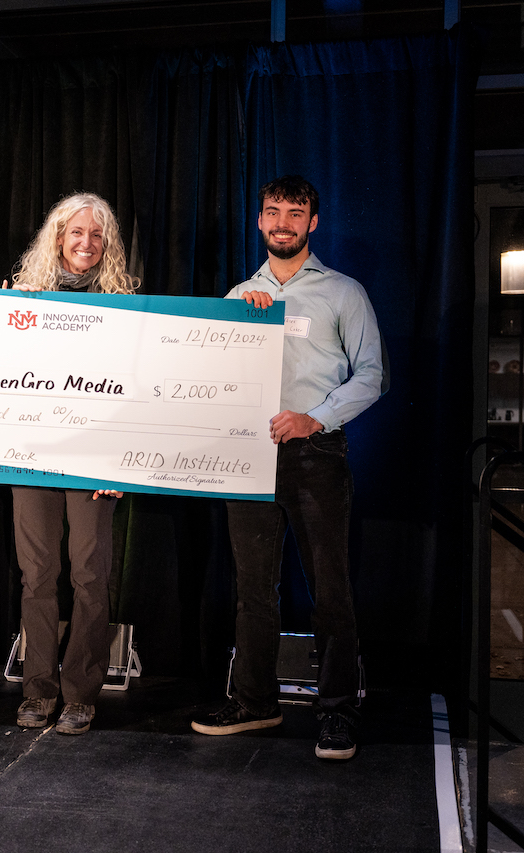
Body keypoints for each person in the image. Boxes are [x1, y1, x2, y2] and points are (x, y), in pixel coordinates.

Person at [191, 175, 385, 761]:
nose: (283, 223)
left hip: (315, 455)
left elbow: (371, 376)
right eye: (272, 212)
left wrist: (314, 419)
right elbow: (210, 378)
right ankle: (255, 701)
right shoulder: (236, 297)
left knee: (331, 589)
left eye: (294, 214)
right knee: (253, 589)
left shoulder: (343, 293)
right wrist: (244, 323)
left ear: (312, 223)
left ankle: (338, 712)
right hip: (246, 454)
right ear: (259, 222)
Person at [4, 192, 138, 735]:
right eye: (75, 232)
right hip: (31, 456)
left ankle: (81, 693)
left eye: (97, 235)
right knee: (36, 575)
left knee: (89, 575)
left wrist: (120, 463)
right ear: (57, 237)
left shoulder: (125, 305)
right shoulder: (21, 298)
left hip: (93, 461)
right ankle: (38, 690)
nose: (86, 243)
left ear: (107, 246)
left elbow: (135, 389)